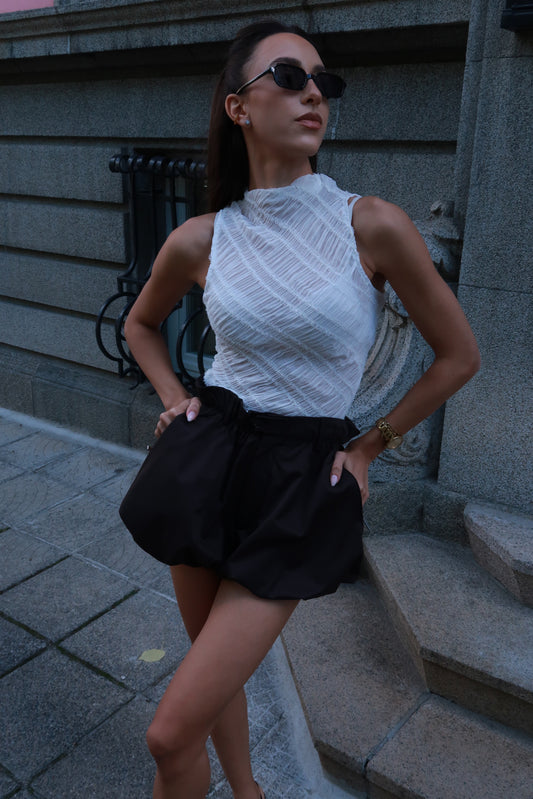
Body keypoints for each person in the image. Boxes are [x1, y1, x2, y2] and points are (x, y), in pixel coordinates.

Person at [121, 19, 480, 799]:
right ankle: (246, 789)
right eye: (288, 76)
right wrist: (175, 398)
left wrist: (369, 446)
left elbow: (458, 355)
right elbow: (139, 325)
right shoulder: (202, 237)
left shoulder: (370, 223)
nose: (313, 92)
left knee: (168, 731)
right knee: (208, 681)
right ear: (238, 107)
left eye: (324, 81)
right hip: (206, 456)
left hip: (298, 477)